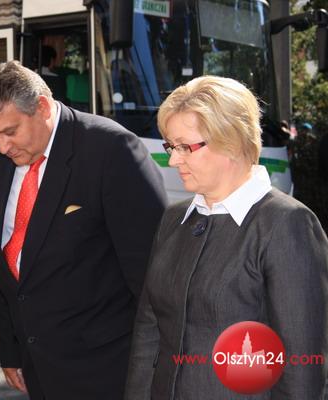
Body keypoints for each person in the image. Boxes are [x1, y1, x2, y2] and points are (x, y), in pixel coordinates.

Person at [0, 60, 167, 399]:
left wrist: (154, 365)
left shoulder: (111, 149)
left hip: (109, 368)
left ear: (42, 107)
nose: (2, 147)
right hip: (37, 366)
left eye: (10, 131)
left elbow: (151, 271)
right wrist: (11, 349)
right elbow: (4, 265)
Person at [124, 76, 328, 398]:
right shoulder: (174, 218)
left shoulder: (287, 224)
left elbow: (302, 369)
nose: (173, 159)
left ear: (230, 141)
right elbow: (148, 332)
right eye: (170, 146)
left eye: (184, 147)